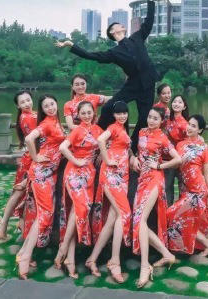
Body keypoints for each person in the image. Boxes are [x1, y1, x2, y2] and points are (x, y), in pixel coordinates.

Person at [56, 0, 161, 148]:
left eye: (121, 25)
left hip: (148, 83)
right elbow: (92, 56)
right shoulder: (114, 52)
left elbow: (149, 22)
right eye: (118, 25)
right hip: (132, 85)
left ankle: (131, 148)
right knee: (107, 109)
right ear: (113, 32)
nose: (121, 26)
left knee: (144, 119)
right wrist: (72, 46)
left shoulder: (137, 37)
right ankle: (94, 138)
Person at [15, 94, 66, 280]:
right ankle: (25, 256)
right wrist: (35, 157)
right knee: (45, 214)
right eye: (46, 106)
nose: (51, 108)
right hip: (42, 173)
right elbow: (29, 138)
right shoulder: (46, 123)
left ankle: (23, 252)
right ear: (42, 109)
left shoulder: (55, 121)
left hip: (50, 174)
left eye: (52, 104)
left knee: (43, 213)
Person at [131, 107, 182, 288]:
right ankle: (167, 255)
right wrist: (134, 158)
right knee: (138, 221)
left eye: (155, 118)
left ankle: (145, 266)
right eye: (150, 117)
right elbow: (138, 151)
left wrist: (160, 166)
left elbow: (178, 159)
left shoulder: (162, 137)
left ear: (161, 121)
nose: (151, 120)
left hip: (154, 179)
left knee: (140, 220)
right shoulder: (143, 131)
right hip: (141, 179)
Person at [85, 101, 133, 283]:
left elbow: (125, 149)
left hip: (123, 177)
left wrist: (132, 157)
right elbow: (100, 140)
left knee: (113, 219)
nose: (122, 116)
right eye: (119, 113)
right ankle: (114, 260)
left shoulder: (123, 129)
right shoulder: (113, 127)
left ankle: (92, 259)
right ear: (114, 115)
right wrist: (107, 159)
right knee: (124, 213)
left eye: (125, 113)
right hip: (112, 176)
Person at [55, 101, 103, 279]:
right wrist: (76, 161)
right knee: (80, 209)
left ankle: (70, 259)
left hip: (89, 174)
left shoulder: (98, 130)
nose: (87, 115)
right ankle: (62, 252)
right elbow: (62, 148)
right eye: (83, 113)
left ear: (93, 113)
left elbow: (107, 145)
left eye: (89, 112)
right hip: (74, 172)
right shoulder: (77, 130)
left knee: (78, 212)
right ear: (78, 115)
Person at [166, 114, 208, 257]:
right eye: (189, 124)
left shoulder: (203, 148)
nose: (189, 128)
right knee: (185, 218)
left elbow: (207, 172)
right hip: (186, 189)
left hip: (199, 190)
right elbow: (174, 162)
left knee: (172, 214)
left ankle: (207, 246)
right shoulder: (180, 145)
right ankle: (207, 246)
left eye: (193, 126)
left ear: (200, 130)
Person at [0, 90, 37, 240]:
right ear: (18, 105)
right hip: (32, 159)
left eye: (28, 100)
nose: (27, 103)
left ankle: (20, 223)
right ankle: (4, 223)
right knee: (20, 192)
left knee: (25, 193)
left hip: (33, 157)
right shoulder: (27, 118)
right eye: (23, 102)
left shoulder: (33, 114)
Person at [164, 94, 189, 205]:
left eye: (180, 102)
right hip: (168, 160)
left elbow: (190, 141)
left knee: (182, 188)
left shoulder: (185, 124)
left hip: (180, 160)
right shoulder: (168, 120)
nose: (176, 104)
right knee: (167, 188)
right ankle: (167, 214)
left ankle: (180, 215)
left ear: (184, 107)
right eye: (175, 101)